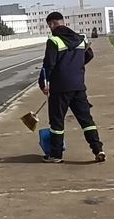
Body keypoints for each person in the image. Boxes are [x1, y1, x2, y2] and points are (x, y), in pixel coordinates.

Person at [38, 11, 105, 163]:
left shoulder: (54, 41)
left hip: (60, 88)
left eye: (49, 25)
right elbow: (89, 55)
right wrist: (76, 68)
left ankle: (56, 155)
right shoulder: (80, 39)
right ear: (63, 22)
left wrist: (43, 83)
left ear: (52, 24)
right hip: (79, 86)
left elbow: (48, 66)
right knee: (86, 120)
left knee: (56, 123)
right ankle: (98, 149)